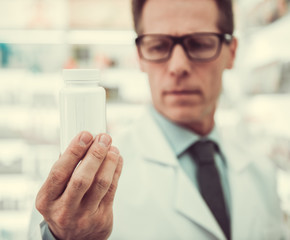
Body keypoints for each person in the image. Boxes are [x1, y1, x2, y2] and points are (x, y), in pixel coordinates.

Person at [29, 0, 287, 239]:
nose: (178, 66)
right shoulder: (80, 185)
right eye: (158, 45)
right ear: (140, 56)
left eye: (199, 43)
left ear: (231, 52)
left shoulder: (262, 174)